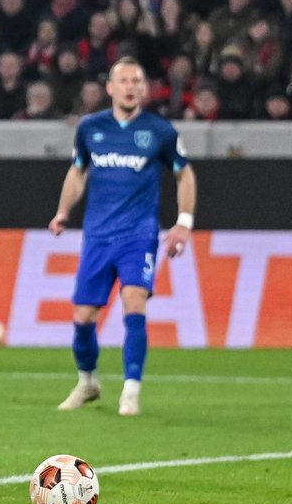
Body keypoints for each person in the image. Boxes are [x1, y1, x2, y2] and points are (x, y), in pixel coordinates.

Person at [49, 57, 198, 416]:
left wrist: (183, 223)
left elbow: (185, 175)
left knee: (134, 301)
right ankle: (88, 382)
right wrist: (63, 211)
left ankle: (131, 391)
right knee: (83, 316)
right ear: (110, 88)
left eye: (137, 81)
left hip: (138, 235)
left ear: (145, 89)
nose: (130, 87)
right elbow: (77, 171)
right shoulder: (90, 128)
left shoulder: (160, 131)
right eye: (124, 81)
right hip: (97, 237)